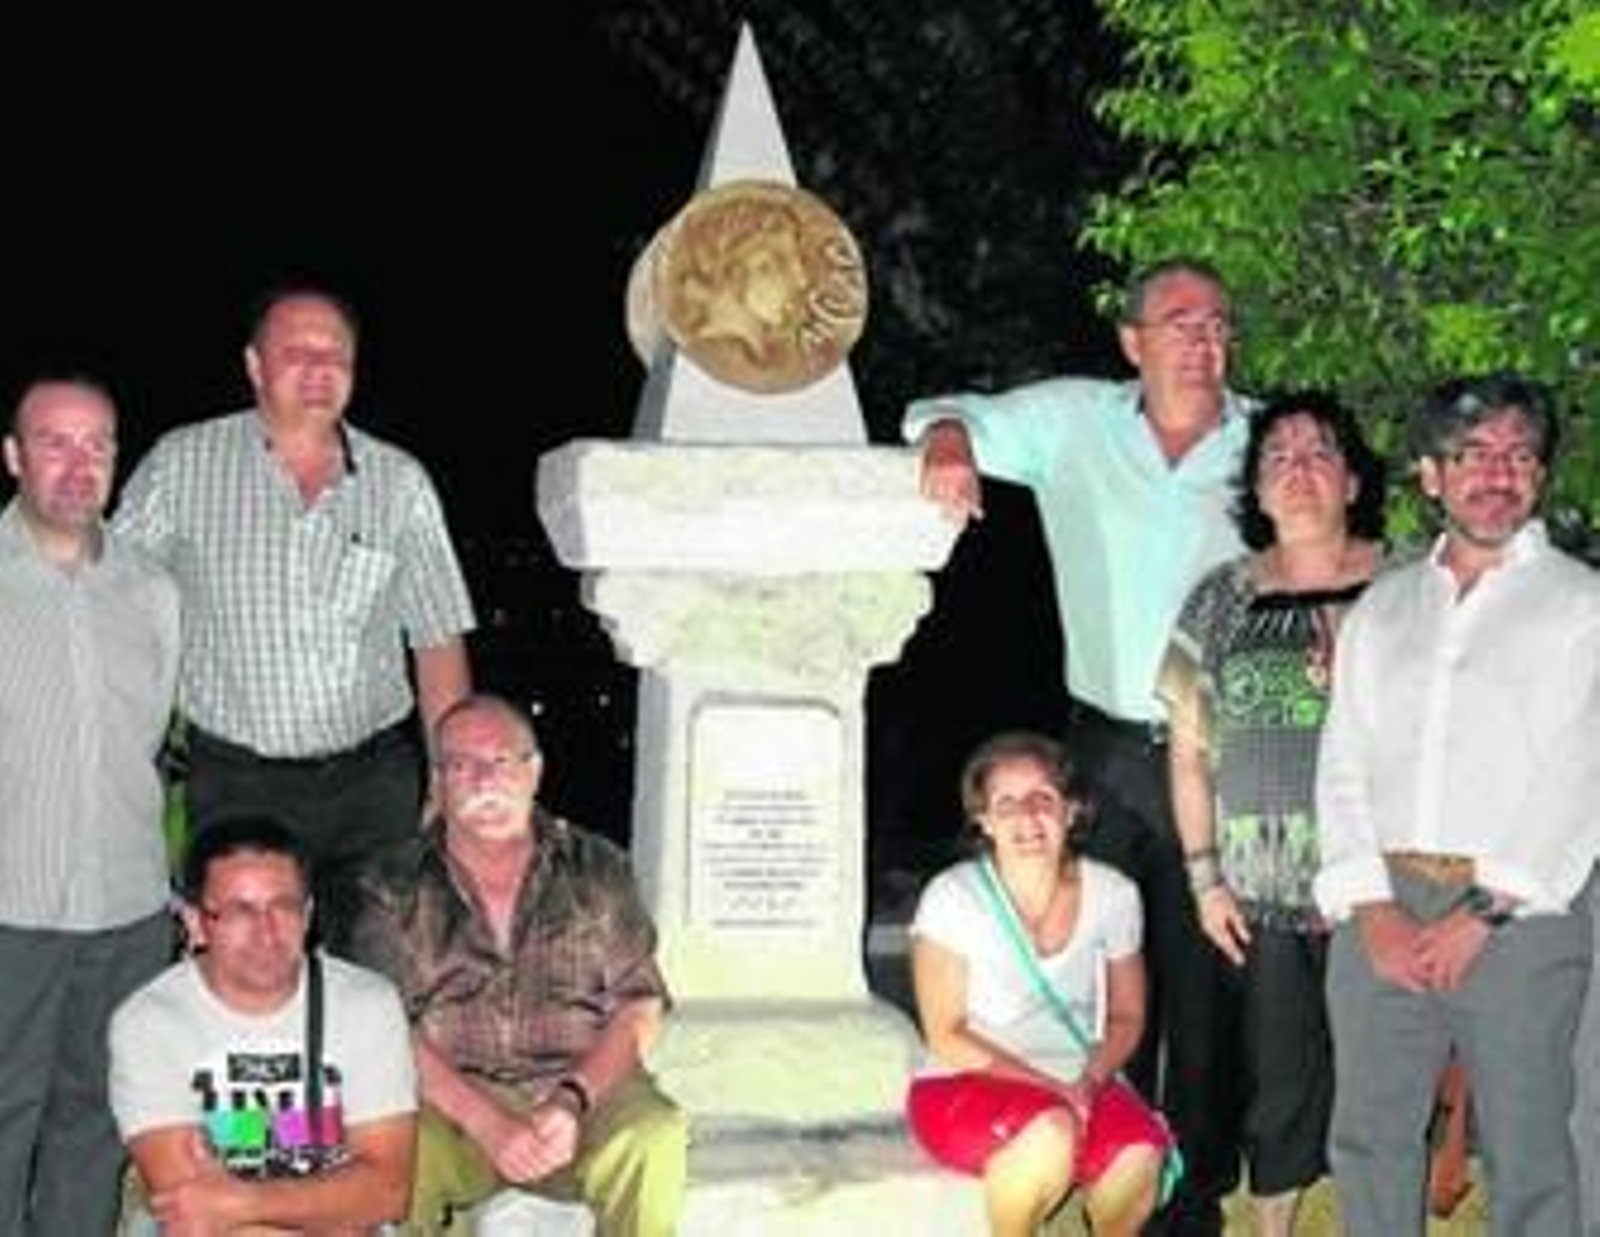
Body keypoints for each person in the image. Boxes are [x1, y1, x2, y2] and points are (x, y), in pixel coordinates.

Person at [903, 257, 1252, 1233]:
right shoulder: (1074, 422)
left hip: (1217, 750)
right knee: (1106, 970)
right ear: (1131, 341)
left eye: (1217, 324)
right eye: (1178, 322)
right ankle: (1108, 1165)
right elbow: (939, 408)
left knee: (1207, 986)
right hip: (1098, 747)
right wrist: (944, 442)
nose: (1201, 340)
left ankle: (1195, 1195)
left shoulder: (1263, 441)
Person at [1313, 372, 1600, 1236]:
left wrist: (1485, 911)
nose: (1497, 473)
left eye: (1519, 455)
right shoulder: (1385, 606)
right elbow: (1343, 759)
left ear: (1540, 477)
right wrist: (1372, 905)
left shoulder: (1581, 604)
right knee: (1368, 1137)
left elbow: (1580, 770)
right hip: (1386, 908)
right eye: (1471, 454)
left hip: (1520, 914)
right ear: (1431, 476)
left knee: (1530, 1148)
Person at [112, 284, 477, 947]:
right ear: (255, 365)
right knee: (246, 972)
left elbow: (437, 637)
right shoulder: (181, 464)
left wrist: (449, 775)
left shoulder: (400, 482)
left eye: (333, 351)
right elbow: (113, 602)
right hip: (237, 783)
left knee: (381, 975)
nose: (317, 366)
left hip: (374, 786)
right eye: (294, 351)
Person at [1157, 392, 1386, 1235]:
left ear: (1353, 479)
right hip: (1262, 889)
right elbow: (1187, 752)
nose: (1298, 469)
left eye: (1319, 451)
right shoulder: (1220, 596)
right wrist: (1204, 878)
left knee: (1381, 1071)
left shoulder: (1405, 586)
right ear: (1255, 490)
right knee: (1280, 1072)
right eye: (1277, 456)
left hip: (1383, 880)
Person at [343, 692, 687, 1236]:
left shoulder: (597, 867)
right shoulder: (391, 883)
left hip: (578, 1090)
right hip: (454, 1103)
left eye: (501, 761)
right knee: (398, 1146)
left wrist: (573, 1100)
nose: (483, 781)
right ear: (437, 782)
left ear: (535, 771)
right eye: (462, 766)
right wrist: (488, 1123)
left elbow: (639, 1004)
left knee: (654, 1135)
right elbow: (384, 1029)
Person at [0, 376, 181, 1236]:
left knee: (92, 1129)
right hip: (8, 912)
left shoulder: (153, 591)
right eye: (54, 442)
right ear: (13, 456)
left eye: (97, 445)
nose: (78, 466)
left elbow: (150, 744)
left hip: (126, 913)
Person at [905, 730, 1166, 1237]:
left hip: (1077, 1075)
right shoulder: (952, 897)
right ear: (983, 820)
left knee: (1140, 1152)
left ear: (1071, 811)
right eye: (1006, 803)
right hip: (966, 1081)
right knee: (1049, 1132)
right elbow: (945, 1033)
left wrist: (1089, 1080)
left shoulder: (1114, 894)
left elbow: (1128, 1015)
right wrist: (1052, 1090)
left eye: (1043, 798)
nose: (1027, 817)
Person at [108, 814, 418, 1234]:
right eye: (240, 911)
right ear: (195, 923)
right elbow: (191, 1208)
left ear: (308, 916)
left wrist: (244, 1202)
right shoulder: (149, 1022)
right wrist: (330, 1204)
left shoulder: (367, 1004)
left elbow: (385, 1192)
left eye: (283, 906)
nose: (266, 932)